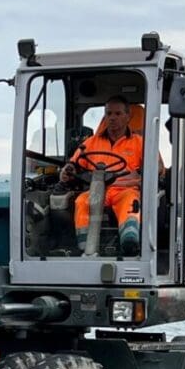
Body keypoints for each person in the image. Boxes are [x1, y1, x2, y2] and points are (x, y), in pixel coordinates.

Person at [62, 97, 144, 255]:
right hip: (97, 189)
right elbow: (74, 163)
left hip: (125, 190)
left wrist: (142, 175)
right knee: (82, 201)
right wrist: (68, 170)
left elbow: (158, 168)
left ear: (128, 117)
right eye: (109, 113)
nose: (112, 118)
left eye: (118, 114)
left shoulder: (140, 142)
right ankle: (84, 245)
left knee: (130, 201)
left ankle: (129, 241)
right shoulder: (91, 142)